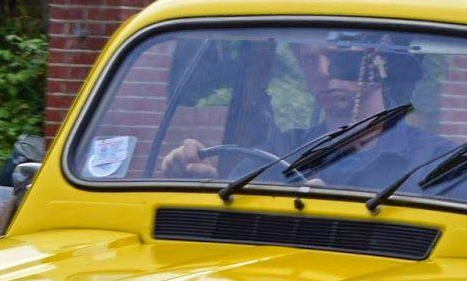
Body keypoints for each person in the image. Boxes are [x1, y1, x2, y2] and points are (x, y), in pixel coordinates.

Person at [157, 41, 450, 188]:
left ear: (377, 64)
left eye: (336, 57)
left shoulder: (436, 161)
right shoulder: (280, 153)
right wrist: (202, 179)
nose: (322, 72)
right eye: (309, 60)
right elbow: (233, 215)